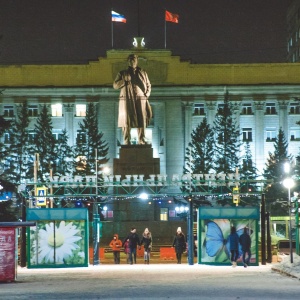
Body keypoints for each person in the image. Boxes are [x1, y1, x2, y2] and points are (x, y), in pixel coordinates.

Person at [113, 53, 152, 145]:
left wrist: (146, 95)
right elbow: (115, 85)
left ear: (137, 61)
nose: (132, 61)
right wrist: (124, 81)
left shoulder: (143, 72)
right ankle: (127, 140)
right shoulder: (122, 73)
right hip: (127, 99)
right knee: (127, 120)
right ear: (128, 61)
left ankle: (141, 139)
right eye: (130, 59)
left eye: (134, 59)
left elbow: (148, 85)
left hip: (140, 99)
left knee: (141, 119)